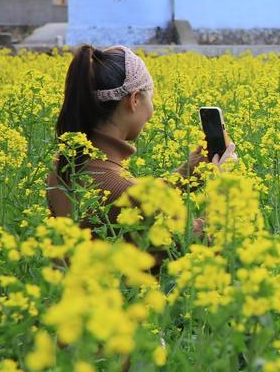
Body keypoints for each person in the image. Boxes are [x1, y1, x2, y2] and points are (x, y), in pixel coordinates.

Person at [45, 44, 236, 240]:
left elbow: (140, 202)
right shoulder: (125, 193)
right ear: (134, 100)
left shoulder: (65, 161)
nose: (151, 111)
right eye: (150, 98)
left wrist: (190, 174)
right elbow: (199, 246)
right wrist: (223, 192)